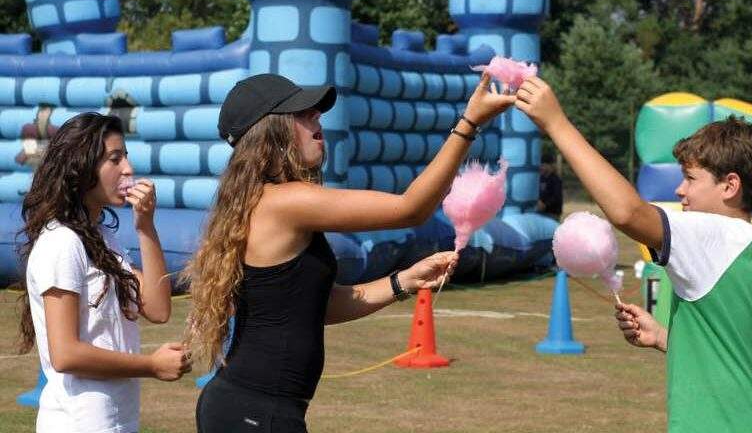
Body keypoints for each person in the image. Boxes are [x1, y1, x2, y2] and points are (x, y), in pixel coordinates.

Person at [184, 73, 515, 433]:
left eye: (316, 112)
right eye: (304, 113)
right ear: (271, 132)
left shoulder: (267, 202)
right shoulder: (285, 202)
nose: (317, 119)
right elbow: (411, 209)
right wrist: (469, 124)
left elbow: (316, 307)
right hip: (255, 414)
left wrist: (403, 281)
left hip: (253, 409)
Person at [514, 78, 752, 432]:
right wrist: (663, 337)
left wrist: (556, 124)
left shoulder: (719, 236)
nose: (680, 190)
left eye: (690, 178)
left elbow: (628, 213)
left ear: (730, 186)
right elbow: (738, 357)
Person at [16, 113, 192, 433]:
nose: (128, 169)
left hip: (115, 422)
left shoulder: (101, 238)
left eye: (126, 155)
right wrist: (151, 365)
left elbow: (157, 308)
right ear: (82, 167)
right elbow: (65, 354)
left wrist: (146, 228)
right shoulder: (62, 242)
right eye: (115, 158)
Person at [535, 152, 563, 220]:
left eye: (543, 165)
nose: (540, 167)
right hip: (540, 213)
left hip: (552, 214)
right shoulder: (540, 179)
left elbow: (556, 197)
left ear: (550, 165)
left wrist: (545, 205)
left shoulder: (555, 180)